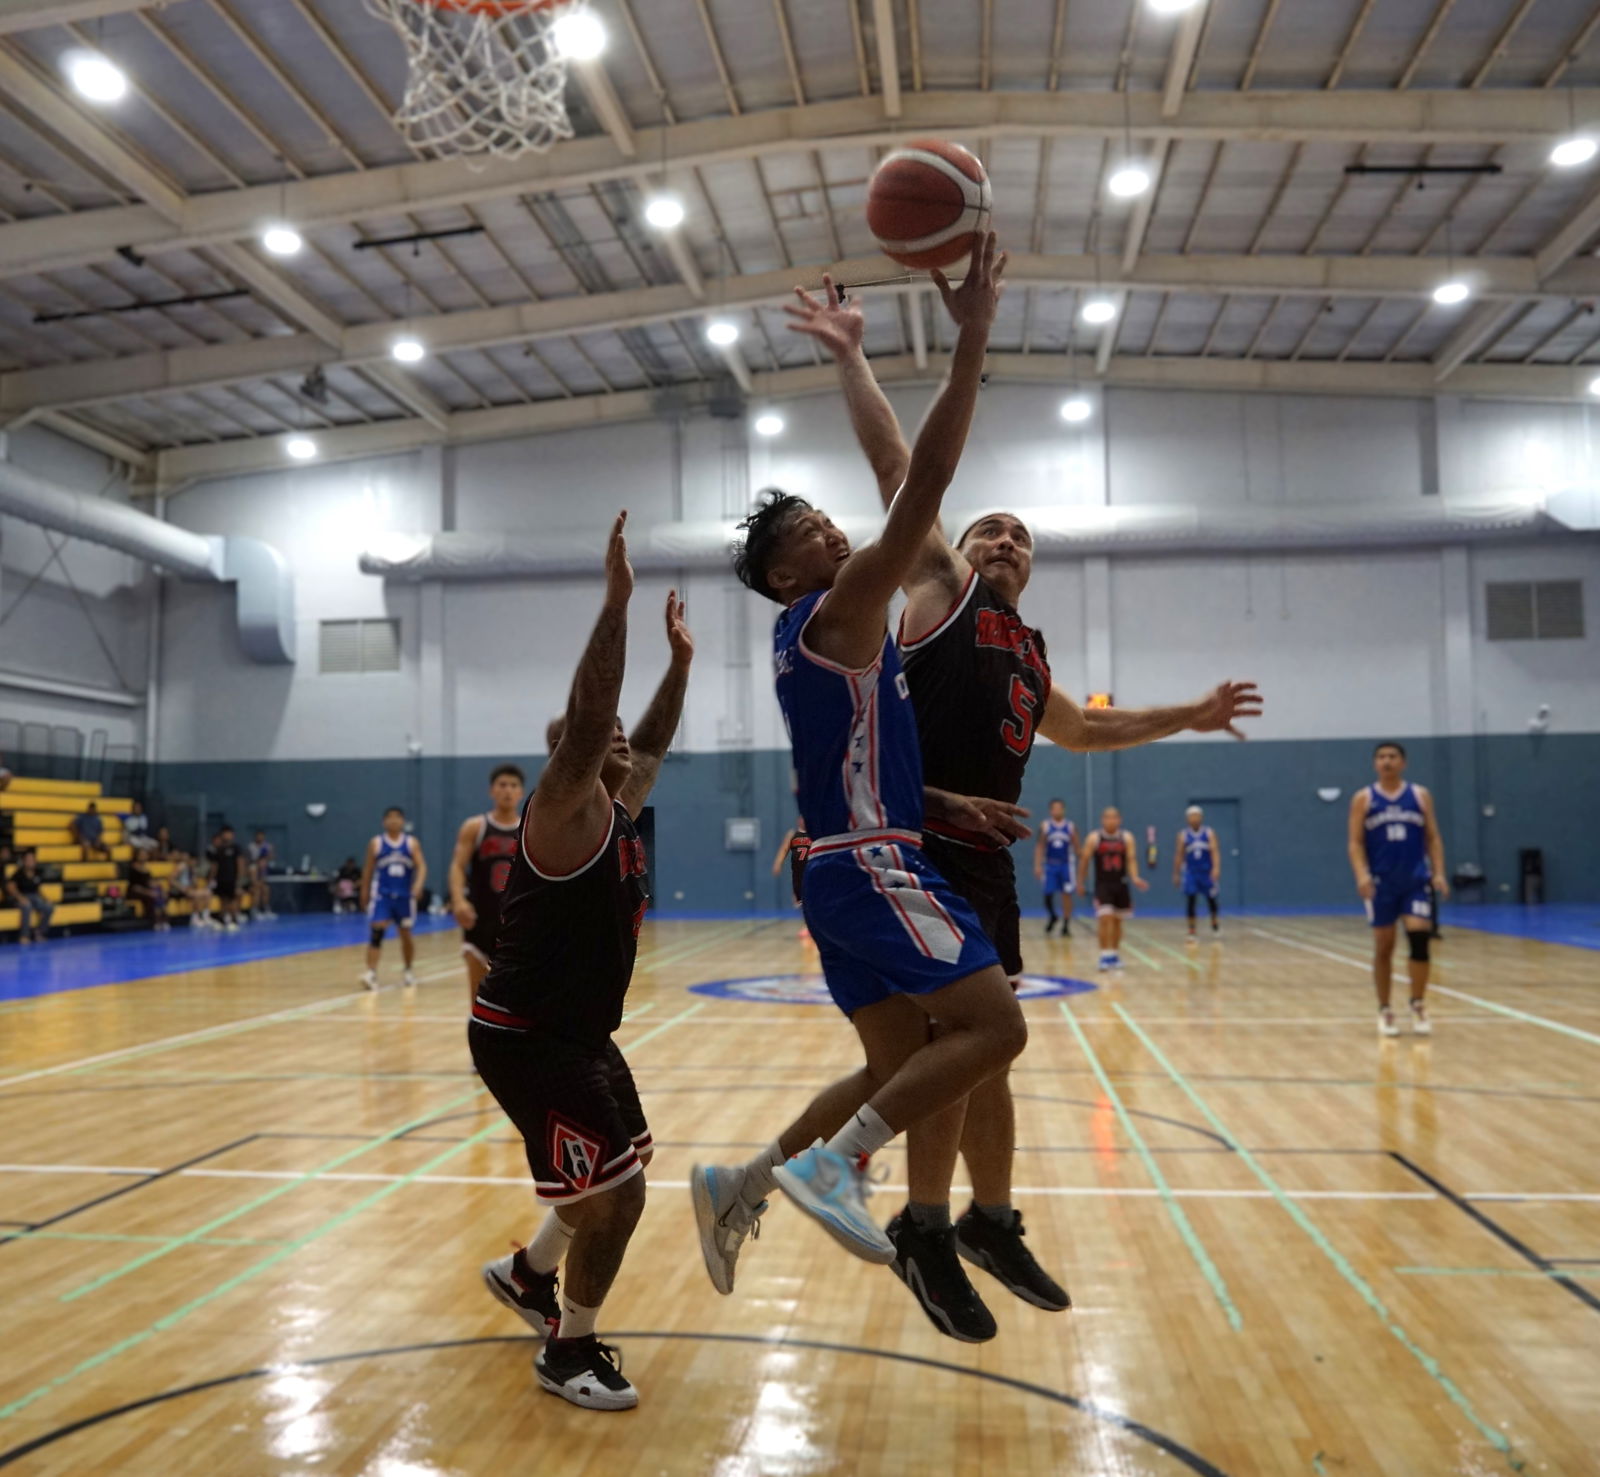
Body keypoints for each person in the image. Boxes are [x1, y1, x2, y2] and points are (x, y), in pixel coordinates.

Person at [776, 268, 1264, 1332]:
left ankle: (983, 1217)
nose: (1002, 543)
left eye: (1019, 539)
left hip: (983, 862)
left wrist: (1193, 712)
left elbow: (1088, 732)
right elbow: (903, 464)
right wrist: (852, 354)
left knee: (984, 1055)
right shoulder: (939, 592)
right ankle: (917, 1218)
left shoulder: (1029, 653)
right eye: (991, 530)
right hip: (914, 849)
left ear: (1034, 568)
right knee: (949, 1055)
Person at [689, 236, 1051, 1346]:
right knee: (993, 1028)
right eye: (810, 530)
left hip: (851, 860)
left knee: (898, 1065)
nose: (832, 527)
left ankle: (743, 1180)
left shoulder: (832, 643)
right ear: (787, 575)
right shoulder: (840, 609)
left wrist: (944, 805)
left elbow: (850, 770)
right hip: (869, 870)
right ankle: (846, 1170)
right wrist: (971, 334)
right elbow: (919, 478)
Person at [472, 537, 693, 1413]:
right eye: (606, 732)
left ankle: (528, 1274)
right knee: (618, 1197)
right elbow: (593, 706)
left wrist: (680, 664)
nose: (623, 736)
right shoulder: (560, 809)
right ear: (570, 755)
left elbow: (655, 737)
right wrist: (618, 608)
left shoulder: (620, 808)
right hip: (530, 1040)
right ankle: (567, 1350)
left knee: (617, 1166)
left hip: (577, 1033)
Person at [1348, 742, 1448, 1038]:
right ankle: (1385, 1008)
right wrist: (1362, 875)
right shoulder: (1364, 798)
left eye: (1392, 757)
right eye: (1381, 757)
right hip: (1381, 883)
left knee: (1419, 937)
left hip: (1415, 880)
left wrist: (1439, 872)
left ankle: (1418, 1004)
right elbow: (1355, 842)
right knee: (1384, 945)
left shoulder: (1419, 795)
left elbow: (1433, 837)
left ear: (1403, 763)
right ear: (1375, 764)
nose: (1386, 761)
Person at [448, 764, 527, 1007]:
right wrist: (459, 901)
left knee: (517, 995)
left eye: (513, 786)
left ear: (521, 793)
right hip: (481, 919)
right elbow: (458, 866)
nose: (507, 791)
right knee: (478, 995)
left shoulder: (529, 828)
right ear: (491, 790)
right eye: (502, 785)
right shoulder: (475, 827)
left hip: (516, 923)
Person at [359, 809, 426, 989]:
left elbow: (422, 867)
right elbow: (368, 870)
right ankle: (371, 973)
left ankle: (408, 970)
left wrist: (418, 884)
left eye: (398, 818)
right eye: (390, 818)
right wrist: (364, 892)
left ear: (403, 822)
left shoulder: (411, 843)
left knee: (405, 934)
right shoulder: (376, 843)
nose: (394, 821)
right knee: (377, 931)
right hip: (383, 895)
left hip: (405, 896)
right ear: (384, 822)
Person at [1079, 808, 1148, 972]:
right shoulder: (1094, 838)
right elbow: (1084, 860)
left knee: (1117, 921)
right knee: (1105, 918)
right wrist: (1080, 881)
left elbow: (1131, 859)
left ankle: (1114, 955)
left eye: (1114, 817)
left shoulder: (1126, 838)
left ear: (1119, 820)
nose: (1111, 820)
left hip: (1121, 884)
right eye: (1108, 817)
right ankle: (1104, 955)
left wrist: (1135, 877)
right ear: (1103, 820)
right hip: (1103, 884)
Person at [1174, 806, 1221, 939]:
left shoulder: (1209, 833)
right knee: (1191, 900)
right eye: (1191, 816)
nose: (1194, 819)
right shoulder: (1183, 835)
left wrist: (1216, 868)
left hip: (1206, 872)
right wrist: (1176, 873)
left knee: (1212, 899)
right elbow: (1179, 855)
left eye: (1197, 816)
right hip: (1191, 872)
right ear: (1187, 819)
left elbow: (1215, 851)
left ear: (1201, 817)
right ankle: (1192, 930)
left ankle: (1215, 923)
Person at [1035, 799, 1078, 937]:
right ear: (1051, 810)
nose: (1057, 811)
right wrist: (1037, 865)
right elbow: (1040, 846)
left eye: (1060, 808)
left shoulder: (1070, 827)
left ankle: (1066, 925)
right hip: (1050, 865)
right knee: (1048, 894)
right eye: (1055, 808)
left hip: (1066, 865)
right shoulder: (1046, 826)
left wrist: (1083, 861)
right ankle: (1053, 915)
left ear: (1063, 810)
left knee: (1066, 895)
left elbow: (1078, 847)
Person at [769, 817, 811, 940]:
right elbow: (784, 850)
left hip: (812, 869)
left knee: (811, 899)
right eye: (801, 819)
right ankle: (806, 926)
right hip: (798, 871)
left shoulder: (815, 833)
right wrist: (778, 863)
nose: (803, 821)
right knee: (799, 900)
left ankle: (812, 926)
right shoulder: (792, 835)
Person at [7, 850, 52, 944]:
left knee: (49, 907)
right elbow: (11, 887)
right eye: (28, 859)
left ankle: (40, 932)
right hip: (20, 897)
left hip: (35, 897)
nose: (30, 861)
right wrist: (20, 898)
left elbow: (38, 889)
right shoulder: (18, 874)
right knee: (27, 906)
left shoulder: (37, 873)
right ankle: (24, 935)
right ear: (24, 861)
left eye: (32, 859)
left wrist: (46, 899)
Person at [126, 853, 169, 931]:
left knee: (160, 895)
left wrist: (160, 890)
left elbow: (150, 882)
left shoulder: (146, 869)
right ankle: (154, 922)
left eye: (145, 855)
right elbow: (135, 887)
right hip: (135, 891)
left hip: (147, 890)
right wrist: (148, 892)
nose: (144, 857)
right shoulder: (133, 869)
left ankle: (163, 920)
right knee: (150, 897)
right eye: (142, 855)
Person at [248, 831, 276, 919]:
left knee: (266, 889)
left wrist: (270, 851)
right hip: (250, 884)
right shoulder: (253, 866)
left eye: (262, 836)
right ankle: (254, 911)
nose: (260, 838)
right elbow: (253, 881)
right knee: (257, 890)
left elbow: (271, 857)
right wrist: (258, 883)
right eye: (259, 836)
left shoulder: (266, 847)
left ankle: (266, 910)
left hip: (260, 882)